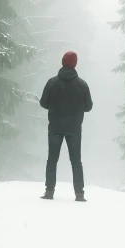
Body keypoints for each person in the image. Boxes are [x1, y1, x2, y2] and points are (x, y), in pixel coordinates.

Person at [39, 51, 93, 202]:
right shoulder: (82, 85)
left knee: (52, 160)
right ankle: (79, 194)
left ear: (62, 62)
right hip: (74, 129)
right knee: (76, 162)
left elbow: (43, 103)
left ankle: (49, 191)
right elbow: (88, 107)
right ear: (75, 64)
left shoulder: (52, 82)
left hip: (55, 127)